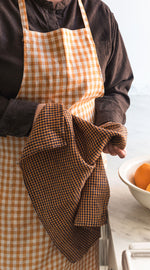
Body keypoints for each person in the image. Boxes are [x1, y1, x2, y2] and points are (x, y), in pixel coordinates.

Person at [0, 0, 133, 269]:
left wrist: (109, 122)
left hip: (82, 183)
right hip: (16, 190)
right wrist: (34, 117)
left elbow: (117, 84)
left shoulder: (98, 12)